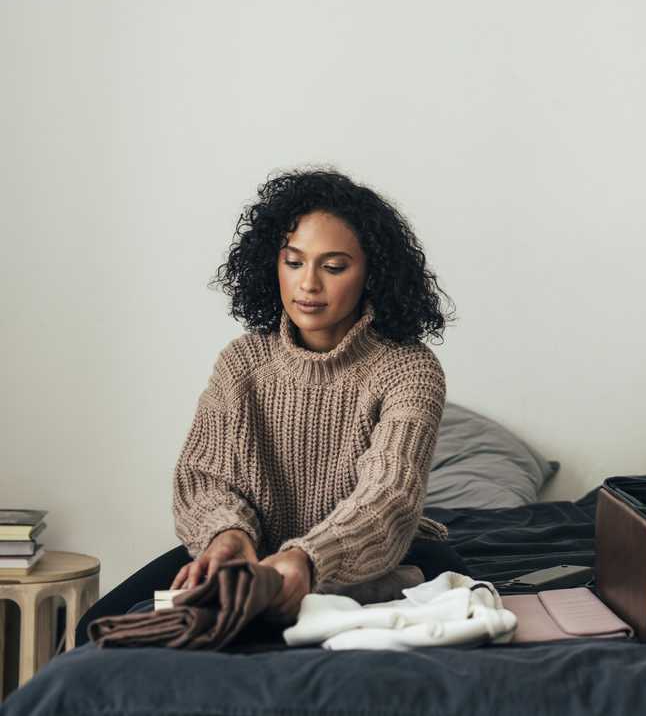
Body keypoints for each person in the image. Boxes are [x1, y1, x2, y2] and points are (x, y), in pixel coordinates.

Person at [76, 167, 466, 645]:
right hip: (252, 556)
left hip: (374, 557)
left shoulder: (409, 368)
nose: (309, 285)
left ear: (371, 273)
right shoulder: (242, 362)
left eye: (334, 266)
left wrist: (307, 558)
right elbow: (203, 477)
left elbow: (389, 496)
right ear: (272, 263)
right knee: (92, 627)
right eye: (294, 262)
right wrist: (226, 536)